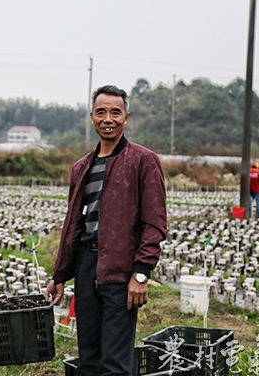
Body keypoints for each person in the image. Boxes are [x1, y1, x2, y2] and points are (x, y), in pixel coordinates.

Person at [43, 85, 167, 375]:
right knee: (88, 360)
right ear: (92, 117)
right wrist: (60, 275)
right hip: (86, 267)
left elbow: (155, 222)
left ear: (126, 118)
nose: (107, 118)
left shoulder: (143, 161)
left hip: (120, 272)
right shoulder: (81, 167)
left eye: (115, 112)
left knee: (114, 364)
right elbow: (73, 224)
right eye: (101, 112)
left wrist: (141, 273)